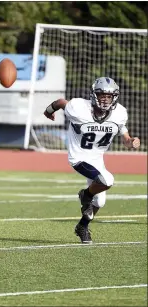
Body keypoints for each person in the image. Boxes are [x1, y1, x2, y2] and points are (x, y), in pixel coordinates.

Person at [43, 77, 141, 244]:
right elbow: (60, 102)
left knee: (100, 201)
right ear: (94, 95)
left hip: (97, 159)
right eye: (101, 95)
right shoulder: (79, 108)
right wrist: (48, 111)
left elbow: (124, 136)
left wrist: (131, 142)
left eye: (109, 96)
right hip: (79, 157)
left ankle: (82, 226)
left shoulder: (119, 114)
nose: (105, 99)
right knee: (107, 180)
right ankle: (85, 195)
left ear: (115, 97)